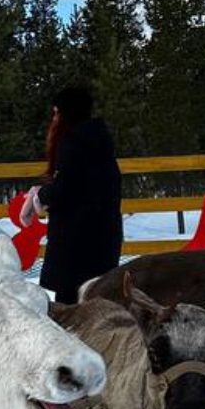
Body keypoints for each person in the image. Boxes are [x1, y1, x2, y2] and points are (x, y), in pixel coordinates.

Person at [27, 84, 123, 305]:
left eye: (56, 113)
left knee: (71, 309)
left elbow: (64, 190)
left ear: (65, 114)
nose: (54, 119)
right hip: (102, 240)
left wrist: (41, 194)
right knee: (97, 301)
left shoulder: (73, 144)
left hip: (76, 247)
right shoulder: (100, 142)